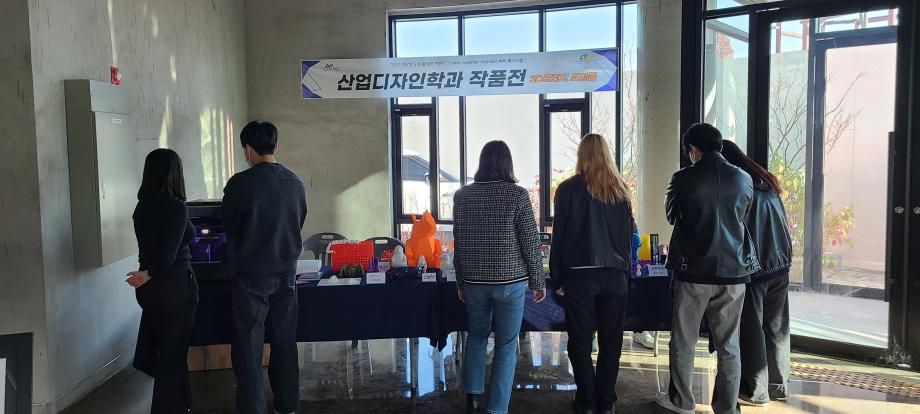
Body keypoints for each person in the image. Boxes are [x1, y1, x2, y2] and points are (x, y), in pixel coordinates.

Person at [655, 123, 761, 414]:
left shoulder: (683, 178)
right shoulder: (744, 178)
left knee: (684, 340)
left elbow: (671, 215)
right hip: (734, 273)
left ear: (693, 149)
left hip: (693, 270)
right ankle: (727, 407)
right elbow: (743, 216)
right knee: (729, 344)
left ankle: (682, 402)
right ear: (720, 146)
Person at [453, 140, 547, 414]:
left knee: (476, 337)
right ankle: (496, 409)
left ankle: (472, 400)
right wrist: (537, 281)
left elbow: (459, 242)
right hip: (510, 282)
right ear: (508, 164)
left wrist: (460, 280)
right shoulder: (517, 195)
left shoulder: (462, 196)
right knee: (506, 345)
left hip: (474, 282)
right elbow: (530, 242)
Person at [223, 121, 308, 414]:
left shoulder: (240, 184)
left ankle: (253, 408)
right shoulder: (296, 182)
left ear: (248, 149)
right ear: (276, 146)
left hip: (250, 276)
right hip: (287, 273)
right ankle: (287, 405)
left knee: (249, 347)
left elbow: (229, 226)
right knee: (284, 342)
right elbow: (299, 221)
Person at [551, 134, 636, 414]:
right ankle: (606, 401)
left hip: (579, 276)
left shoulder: (567, 190)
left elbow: (559, 237)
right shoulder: (621, 191)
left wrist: (557, 276)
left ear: (581, 155)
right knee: (611, 341)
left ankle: (586, 401)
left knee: (580, 341)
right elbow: (629, 238)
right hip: (615, 276)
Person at [720, 141, 793, 406]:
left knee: (751, 329)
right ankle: (778, 385)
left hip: (755, 266)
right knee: (777, 328)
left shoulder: (741, 187)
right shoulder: (767, 183)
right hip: (780, 263)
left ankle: (755, 390)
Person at [127, 148, 199, 413]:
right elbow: (168, 254)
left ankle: (183, 403)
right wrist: (149, 274)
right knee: (173, 355)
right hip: (173, 287)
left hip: (150, 290)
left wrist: (145, 275)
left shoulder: (141, 207)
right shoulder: (177, 208)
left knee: (169, 351)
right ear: (175, 174)